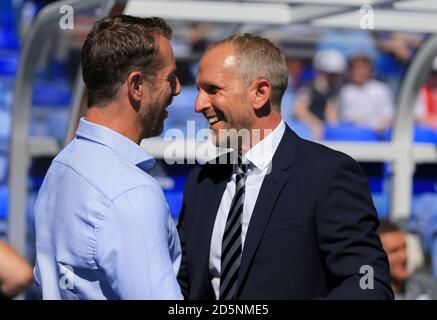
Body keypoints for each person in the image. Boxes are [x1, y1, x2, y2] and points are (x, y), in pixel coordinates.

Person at [177, 33, 393, 300]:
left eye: (213, 89)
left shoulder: (327, 174)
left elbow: (368, 280)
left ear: (260, 93)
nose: (199, 104)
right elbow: (182, 286)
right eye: (198, 90)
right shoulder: (202, 181)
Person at [34, 15, 183, 300]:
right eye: (170, 78)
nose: (177, 89)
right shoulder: (131, 193)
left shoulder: (62, 165)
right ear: (136, 85)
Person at [292, 49, 346, 140]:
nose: (333, 78)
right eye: (330, 75)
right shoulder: (308, 88)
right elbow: (299, 111)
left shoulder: (333, 92)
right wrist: (315, 123)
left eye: (336, 75)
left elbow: (331, 117)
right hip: (305, 129)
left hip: (323, 131)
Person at [377, 220, 437, 300]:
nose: (404, 256)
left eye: (404, 247)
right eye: (394, 251)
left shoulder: (429, 285)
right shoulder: (370, 295)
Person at [338, 55, 395, 132]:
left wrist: (372, 124)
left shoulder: (381, 89)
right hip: (353, 134)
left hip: (378, 135)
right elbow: (346, 117)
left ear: (370, 70)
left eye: (362, 68)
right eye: (355, 68)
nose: (359, 71)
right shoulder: (346, 91)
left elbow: (389, 116)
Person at [414, 56, 437, 130]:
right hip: (427, 131)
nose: (435, 77)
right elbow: (418, 117)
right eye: (434, 73)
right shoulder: (421, 91)